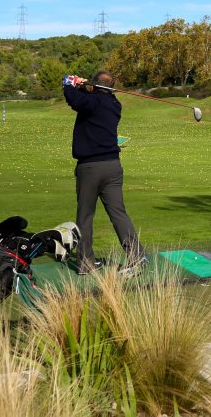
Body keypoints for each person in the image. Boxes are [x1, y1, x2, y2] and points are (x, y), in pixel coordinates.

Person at [62, 70, 147, 275]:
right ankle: (136, 255)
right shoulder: (114, 105)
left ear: (95, 85)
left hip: (90, 168)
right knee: (118, 213)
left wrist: (68, 83)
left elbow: (74, 99)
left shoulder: (91, 102)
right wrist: (84, 86)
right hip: (113, 167)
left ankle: (86, 263)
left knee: (85, 216)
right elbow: (90, 98)